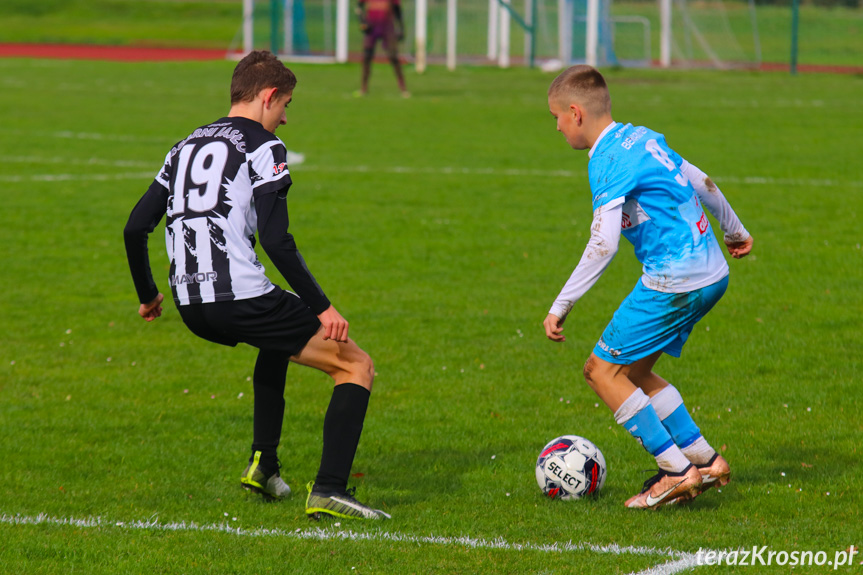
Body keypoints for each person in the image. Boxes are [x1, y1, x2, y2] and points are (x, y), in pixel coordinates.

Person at [123, 50, 389, 521]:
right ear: (268, 97)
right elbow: (276, 239)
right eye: (285, 104)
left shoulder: (182, 146)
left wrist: (148, 296)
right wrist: (324, 307)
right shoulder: (264, 147)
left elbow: (134, 227)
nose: (286, 118)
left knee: (278, 332)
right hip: (239, 296)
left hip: (190, 304)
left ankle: (264, 464)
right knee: (357, 367)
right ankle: (329, 489)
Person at [543, 65, 753, 509]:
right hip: (713, 273)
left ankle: (676, 471)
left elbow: (603, 243)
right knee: (633, 373)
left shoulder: (607, 161)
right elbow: (701, 180)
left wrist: (561, 305)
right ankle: (705, 459)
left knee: (600, 372)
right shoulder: (641, 137)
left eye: (557, 118)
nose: (557, 127)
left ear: (576, 113)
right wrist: (733, 230)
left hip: (674, 281)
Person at [356, 0, 409, 97]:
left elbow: (397, 10)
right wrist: (362, 22)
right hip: (372, 25)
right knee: (367, 56)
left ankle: (403, 87)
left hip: (387, 26)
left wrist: (401, 27)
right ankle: (363, 88)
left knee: (393, 56)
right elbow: (358, 7)